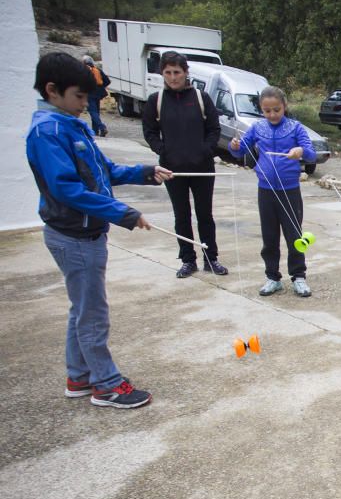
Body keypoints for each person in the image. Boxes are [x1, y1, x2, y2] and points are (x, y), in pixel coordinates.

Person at [27, 53, 173, 408]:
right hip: (73, 236)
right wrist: (122, 213)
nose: (85, 104)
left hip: (86, 235)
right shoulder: (49, 131)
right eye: (80, 97)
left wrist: (143, 172)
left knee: (83, 308)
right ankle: (106, 385)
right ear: (53, 90)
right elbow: (67, 189)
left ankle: (78, 377)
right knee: (93, 313)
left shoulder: (71, 125)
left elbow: (102, 171)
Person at [142, 51, 227, 278]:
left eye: (177, 72)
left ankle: (211, 258)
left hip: (202, 168)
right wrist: (163, 150)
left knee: (205, 215)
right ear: (162, 74)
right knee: (182, 215)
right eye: (168, 73)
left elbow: (214, 130)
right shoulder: (156, 101)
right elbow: (149, 132)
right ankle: (188, 259)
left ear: (186, 72)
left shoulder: (201, 98)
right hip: (172, 170)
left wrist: (205, 150)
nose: (173, 77)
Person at [229, 85, 317, 297]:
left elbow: (312, 154)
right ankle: (272, 277)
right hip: (266, 189)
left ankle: (299, 276)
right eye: (267, 111)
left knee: (294, 234)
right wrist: (235, 145)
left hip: (290, 190)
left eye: (276, 109)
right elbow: (241, 150)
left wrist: (301, 151)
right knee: (269, 236)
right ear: (261, 110)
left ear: (284, 106)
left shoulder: (296, 128)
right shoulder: (258, 128)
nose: (272, 114)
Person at [82, 55, 109, 137]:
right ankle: (95, 131)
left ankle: (101, 127)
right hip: (98, 93)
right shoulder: (97, 70)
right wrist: (101, 87)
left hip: (89, 93)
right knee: (96, 112)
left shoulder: (84, 70)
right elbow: (107, 81)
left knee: (93, 112)